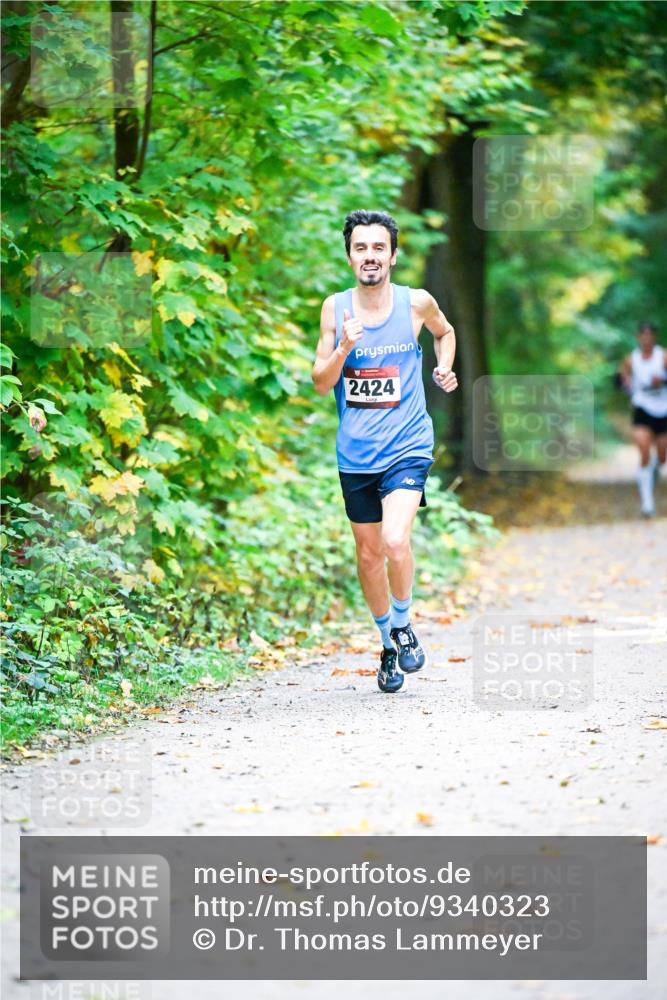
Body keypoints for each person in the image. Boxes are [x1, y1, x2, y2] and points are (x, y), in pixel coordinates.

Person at [312, 209, 458, 693]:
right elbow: (319, 383)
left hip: (408, 444)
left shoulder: (415, 303)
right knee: (369, 554)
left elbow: (446, 332)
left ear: (393, 255)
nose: (369, 256)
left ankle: (403, 622)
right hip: (355, 454)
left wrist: (444, 368)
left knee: (396, 540)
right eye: (361, 248)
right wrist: (342, 351)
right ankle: (388, 643)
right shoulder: (335, 309)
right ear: (350, 255)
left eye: (378, 248)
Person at [618, 322, 667, 517]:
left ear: (654, 337)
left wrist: (662, 380)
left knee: (662, 457)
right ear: (638, 337)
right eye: (643, 335)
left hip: (663, 410)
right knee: (644, 452)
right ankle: (647, 504)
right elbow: (622, 381)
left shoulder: (663, 356)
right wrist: (626, 385)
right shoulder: (631, 359)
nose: (646, 338)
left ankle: (655, 470)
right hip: (642, 409)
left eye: (650, 335)